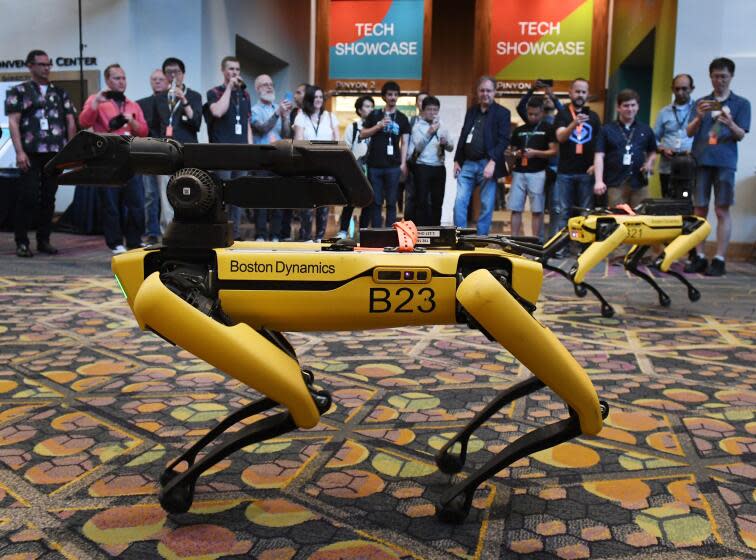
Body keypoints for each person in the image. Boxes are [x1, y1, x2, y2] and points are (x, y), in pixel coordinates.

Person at [5, 49, 77, 257]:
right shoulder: (19, 91)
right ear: (30, 66)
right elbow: (13, 122)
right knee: (27, 197)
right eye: (42, 64)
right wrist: (19, 152)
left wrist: (70, 152)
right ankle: (22, 241)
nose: (46, 68)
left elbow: (71, 121)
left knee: (49, 197)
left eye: (48, 64)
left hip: (55, 153)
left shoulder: (60, 92)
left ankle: (43, 240)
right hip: (30, 152)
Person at [684, 57, 750, 276]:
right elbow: (689, 132)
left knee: (722, 210)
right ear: (710, 77)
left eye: (723, 76)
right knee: (699, 209)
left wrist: (730, 123)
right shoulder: (701, 102)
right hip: (701, 160)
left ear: (731, 77)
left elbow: (741, 135)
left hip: (725, 163)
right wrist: (699, 116)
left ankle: (720, 258)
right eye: (715, 76)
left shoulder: (741, 103)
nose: (719, 80)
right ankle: (699, 255)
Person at [79, 63, 148, 254]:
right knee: (111, 204)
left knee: (136, 202)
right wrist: (95, 103)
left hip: (131, 158)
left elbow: (143, 131)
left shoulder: (132, 104)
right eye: (117, 78)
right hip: (108, 160)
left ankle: (134, 240)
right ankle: (115, 242)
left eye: (124, 78)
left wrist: (131, 120)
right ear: (108, 80)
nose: (121, 81)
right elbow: (84, 122)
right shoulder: (97, 100)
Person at [453, 76, 510, 235]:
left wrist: (492, 162)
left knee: (486, 204)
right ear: (478, 92)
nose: (485, 93)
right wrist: (457, 160)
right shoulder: (472, 111)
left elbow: (504, 140)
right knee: (460, 202)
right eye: (482, 90)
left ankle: (482, 238)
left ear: (494, 92)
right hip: (468, 163)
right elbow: (463, 135)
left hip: (488, 163)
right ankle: (460, 236)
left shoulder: (502, 113)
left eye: (489, 90)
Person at [204, 56, 252, 240]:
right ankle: (219, 233)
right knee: (221, 195)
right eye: (231, 69)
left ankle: (236, 235)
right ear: (223, 71)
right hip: (222, 154)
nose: (235, 73)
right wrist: (230, 89)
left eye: (237, 70)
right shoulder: (214, 92)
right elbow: (217, 111)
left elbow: (246, 122)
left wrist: (250, 149)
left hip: (241, 152)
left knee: (239, 197)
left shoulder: (245, 95)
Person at [551, 78, 602, 246]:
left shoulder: (594, 117)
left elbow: (599, 145)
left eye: (583, 92)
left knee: (585, 214)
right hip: (565, 171)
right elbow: (560, 137)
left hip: (586, 171)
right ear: (570, 93)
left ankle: (583, 248)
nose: (580, 95)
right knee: (563, 212)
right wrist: (574, 123)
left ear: (587, 94)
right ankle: (560, 248)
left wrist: (596, 165)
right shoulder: (563, 114)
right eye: (577, 91)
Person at [593, 89, 657, 208]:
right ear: (618, 107)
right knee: (618, 219)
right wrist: (598, 181)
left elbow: (653, 151)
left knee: (642, 217)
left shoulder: (645, 129)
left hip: (639, 183)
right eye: (626, 105)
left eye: (633, 105)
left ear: (638, 107)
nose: (630, 109)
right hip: (615, 182)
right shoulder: (606, 130)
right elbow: (599, 156)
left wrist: (649, 163)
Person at [360, 81, 411, 227]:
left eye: (395, 94)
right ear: (384, 96)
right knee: (375, 202)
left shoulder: (402, 118)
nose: (393, 97)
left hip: (393, 166)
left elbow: (405, 142)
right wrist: (378, 126)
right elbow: (362, 134)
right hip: (374, 165)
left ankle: (390, 233)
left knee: (391, 202)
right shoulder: (374, 114)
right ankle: (377, 233)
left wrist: (403, 163)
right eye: (389, 94)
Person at [507, 96, 557, 239]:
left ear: (542, 113)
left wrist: (535, 153)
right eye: (530, 114)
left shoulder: (547, 128)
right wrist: (515, 153)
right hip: (519, 172)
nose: (532, 117)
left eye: (536, 114)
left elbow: (553, 151)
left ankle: (535, 241)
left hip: (538, 172)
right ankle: (514, 240)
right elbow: (512, 151)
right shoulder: (519, 130)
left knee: (537, 210)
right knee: (515, 209)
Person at [293, 85, 339, 241]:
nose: (318, 100)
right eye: (315, 97)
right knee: (307, 205)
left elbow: (337, 143)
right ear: (309, 99)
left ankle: (320, 237)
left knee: (324, 205)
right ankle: (306, 237)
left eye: (320, 97)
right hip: (307, 165)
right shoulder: (301, 117)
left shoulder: (330, 117)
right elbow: (298, 142)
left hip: (326, 166)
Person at [250, 74, 292, 241]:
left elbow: (287, 134)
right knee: (261, 199)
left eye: (271, 84)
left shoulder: (279, 109)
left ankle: (275, 235)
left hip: (279, 159)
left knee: (278, 199)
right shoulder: (254, 110)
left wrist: (285, 117)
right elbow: (261, 129)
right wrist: (277, 113)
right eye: (264, 84)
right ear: (257, 89)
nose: (269, 87)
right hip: (262, 159)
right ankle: (260, 234)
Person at [410, 95, 454, 226]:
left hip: (439, 167)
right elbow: (417, 147)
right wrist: (429, 132)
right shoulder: (417, 127)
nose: (432, 113)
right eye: (429, 109)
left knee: (437, 201)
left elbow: (451, 147)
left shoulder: (443, 126)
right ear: (423, 110)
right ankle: (420, 231)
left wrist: (446, 143)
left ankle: (436, 230)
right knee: (421, 201)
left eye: (435, 110)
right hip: (422, 167)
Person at [136, 69, 168, 243]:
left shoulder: (173, 103)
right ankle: (152, 231)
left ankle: (168, 229)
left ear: (167, 81)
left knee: (167, 194)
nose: (157, 82)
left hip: (167, 153)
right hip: (148, 153)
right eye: (154, 79)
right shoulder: (141, 104)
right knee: (150, 194)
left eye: (160, 79)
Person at [337, 95, 374, 239]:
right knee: (350, 201)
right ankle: (343, 230)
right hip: (355, 170)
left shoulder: (376, 127)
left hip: (371, 169)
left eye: (371, 106)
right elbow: (346, 149)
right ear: (359, 110)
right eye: (366, 106)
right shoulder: (352, 127)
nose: (369, 109)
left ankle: (363, 230)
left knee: (369, 200)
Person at [654, 74, 696, 198]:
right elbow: (654, 138)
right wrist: (662, 149)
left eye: (684, 89)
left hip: (690, 165)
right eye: (677, 89)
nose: (680, 92)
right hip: (668, 166)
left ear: (692, 89)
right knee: (668, 202)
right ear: (672, 89)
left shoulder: (698, 110)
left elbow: (708, 136)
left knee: (687, 202)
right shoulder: (663, 112)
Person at [403, 91, 428, 222]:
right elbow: (405, 142)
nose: (423, 103)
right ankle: (408, 227)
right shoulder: (411, 121)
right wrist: (405, 162)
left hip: (428, 165)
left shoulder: (434, 122)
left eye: (425, 100)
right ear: (416, 103)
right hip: (412, 164)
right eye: (420, 100)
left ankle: (423, 228)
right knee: (410, 196)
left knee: (425, 197)